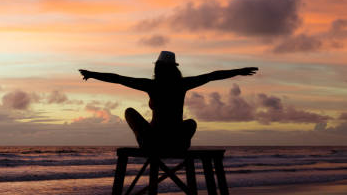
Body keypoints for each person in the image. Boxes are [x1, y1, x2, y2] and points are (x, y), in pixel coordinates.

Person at [79, 51, 257, 153]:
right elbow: (212, 76)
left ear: (157, 67)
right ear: (174, 69)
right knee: (191, 123)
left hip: (154, 140)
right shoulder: (182, 84)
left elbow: (118, 78)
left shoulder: (151, 85)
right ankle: (179, 144)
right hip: (174, 140)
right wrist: (238, 71)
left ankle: (144, 142)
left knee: (129, 112)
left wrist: (93, 74)